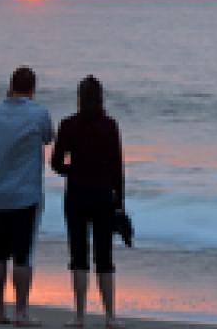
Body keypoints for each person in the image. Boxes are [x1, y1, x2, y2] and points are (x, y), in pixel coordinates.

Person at [0, 66, 53, 327]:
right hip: (26, 194)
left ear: (10, 86)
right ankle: (21, 312)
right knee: (23, 256)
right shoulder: (39, 113)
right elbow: (48, 138)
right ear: (33, 89)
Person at [51, 75, 125, 329]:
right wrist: (120, 203)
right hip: (103, 195)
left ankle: (79, 317)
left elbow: (56, 163)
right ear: (101, 98)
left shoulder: (68, 125)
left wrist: (72, 170)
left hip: (76, 195)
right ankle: (110, 317)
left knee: (78, 255)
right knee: (105, 256)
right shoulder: (110, 125)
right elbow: (117, 168)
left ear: (79, 98)